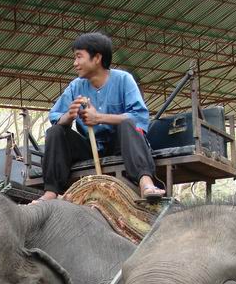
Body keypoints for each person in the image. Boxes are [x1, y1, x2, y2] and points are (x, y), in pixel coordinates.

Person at [38, 32, 165, 201]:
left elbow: (138, 117)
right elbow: (55, 116)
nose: (75, 63)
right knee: (55, 131)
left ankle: (145, 181)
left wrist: (98, 118)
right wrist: (70, 115)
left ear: (97, 58)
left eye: (78, 57)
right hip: (90, 147)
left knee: (128, 123)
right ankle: (51, 191)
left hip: (121, 145)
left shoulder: (123, 79)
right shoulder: (76, 86)